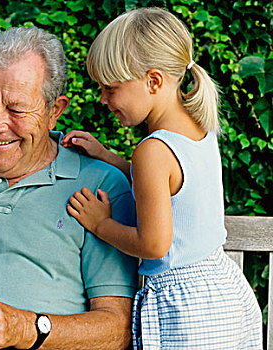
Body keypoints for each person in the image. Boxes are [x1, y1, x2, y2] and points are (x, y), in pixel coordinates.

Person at [0, 26, 139, 349]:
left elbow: (118, 329)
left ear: (55, 111)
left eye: (16, 109)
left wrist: (25, 328)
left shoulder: (100, 187)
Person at [61, 7, 262, 349]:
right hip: (226, 294)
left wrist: (100, 224)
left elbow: (154, 245)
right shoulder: (199, 126)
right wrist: (108, 157)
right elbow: (169, 187)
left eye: (110, 88)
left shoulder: (152, 151)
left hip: (189, 314)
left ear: (153, 81)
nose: (102, 99)